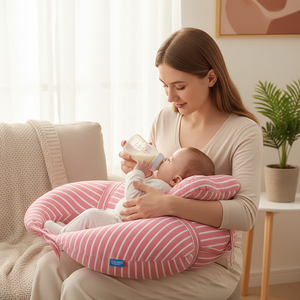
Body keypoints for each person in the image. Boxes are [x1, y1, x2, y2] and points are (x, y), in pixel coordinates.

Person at [30, 28, 263, 300]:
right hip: (147, 242)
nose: (170, 97)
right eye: (165, 85)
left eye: (180, 86)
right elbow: (152, 184)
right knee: (50, 265)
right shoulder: (164, 119)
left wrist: (169, 204)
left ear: (210, 77)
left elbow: (246, 213)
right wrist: (135, 172)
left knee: (81, 284)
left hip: (207, 259)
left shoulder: (243, 131)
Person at [43, 147, 215, 234]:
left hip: (122, 224)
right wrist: (146, 175)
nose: (165, 159)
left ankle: (62, 235)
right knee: (93, 217)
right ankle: (72, 231)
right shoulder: (162, 187)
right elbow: (144, 193)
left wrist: (137, 173)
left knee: (91, 215)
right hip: (119, 218)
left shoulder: (163, 187)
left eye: (169, 160)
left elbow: (132, 196)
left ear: (175, 179)